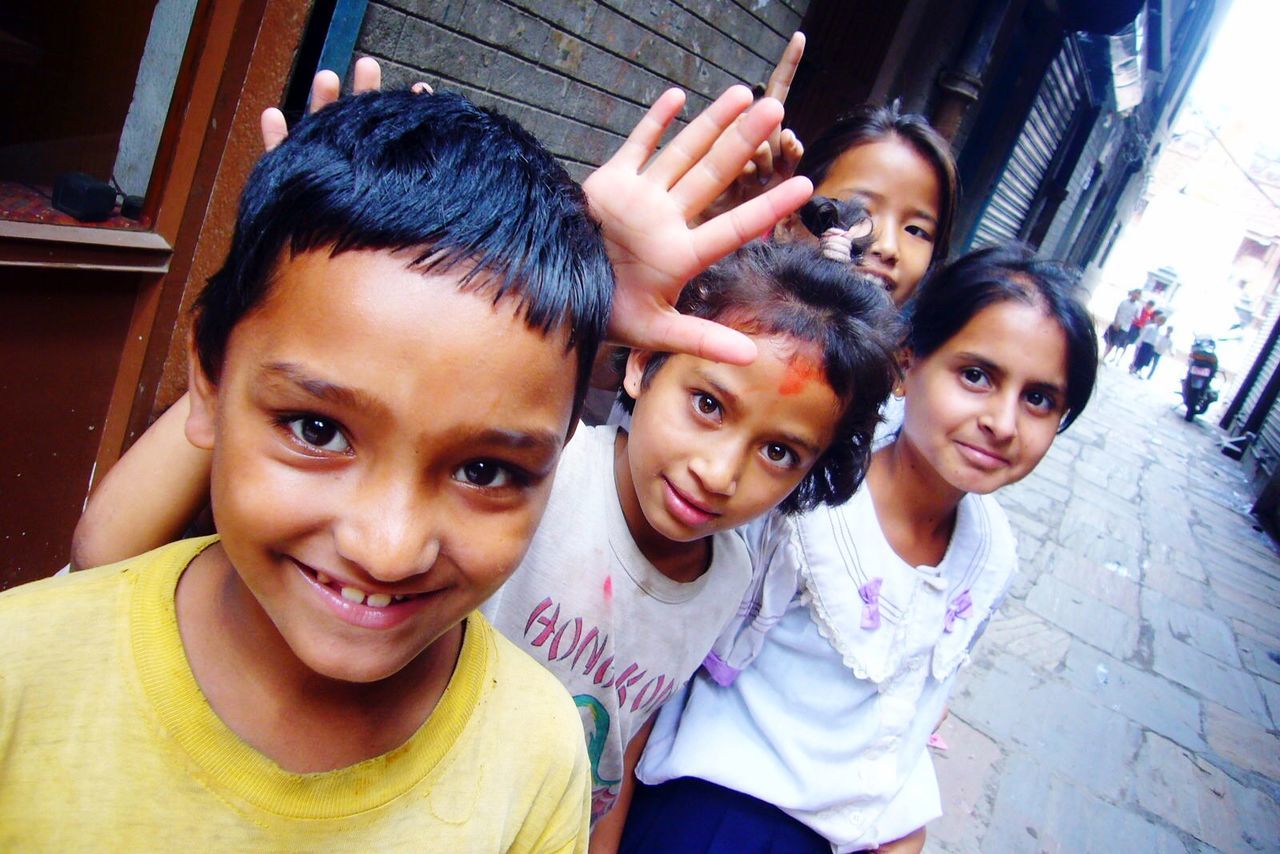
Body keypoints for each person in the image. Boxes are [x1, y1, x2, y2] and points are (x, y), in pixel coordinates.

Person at [5, 83, 810, 846]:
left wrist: (572, 294)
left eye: (486, 471)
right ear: (209, 382)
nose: (388, 548)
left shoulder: (537, 756)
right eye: (317, 430)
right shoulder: (23, 671)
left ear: (561, 458)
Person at [623, 244, 1099, 854]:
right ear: (907, 363)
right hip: (719, 820)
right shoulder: (800, 503)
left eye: (1039, 399)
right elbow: (669, 657)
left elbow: (909, 716)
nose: (1003, 422)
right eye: (976, 375)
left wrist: (901, 822)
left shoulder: (992, 552)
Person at [483, 240, 900, 828]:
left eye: (779, 451)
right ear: (642, 362)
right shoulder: (551, 471)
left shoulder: (728, 577)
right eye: (708, 404)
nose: (720, 473)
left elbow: (621, 743)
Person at [1103, 288, 1142, 362]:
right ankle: (1103, 354)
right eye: (1135, 293)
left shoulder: (1138, 306)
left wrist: (1133, 318)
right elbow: (1118, 312)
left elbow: (1137, 318)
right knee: (1108, 341)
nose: (1135, 295)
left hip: (1124, 327)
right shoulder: (1124, 302)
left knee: (1113, 343)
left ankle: (1104, 356)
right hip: (1115, 324)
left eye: (1138, 294)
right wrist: (1116, 323)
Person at [1130, 311, 1166, 375]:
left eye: (1163, 322)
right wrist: (1138, 343)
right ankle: (1133, 368)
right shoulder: (1151, 327)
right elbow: (1143, 335)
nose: (1161, 323)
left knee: (1146, 359)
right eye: (1160, 320)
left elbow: (1157, 339)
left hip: (1152, 346)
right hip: (1145, 344)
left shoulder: (1160, 331)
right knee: (1139, 357)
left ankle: (1138, 370)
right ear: (1157, 320)